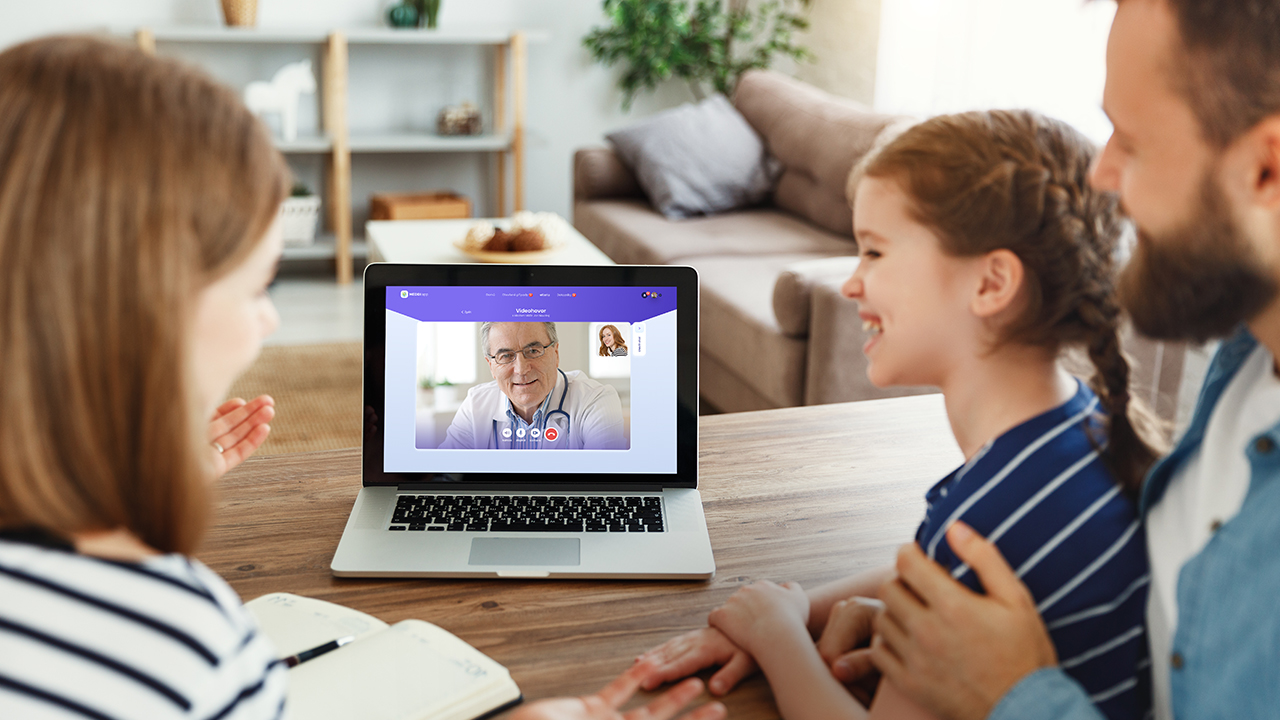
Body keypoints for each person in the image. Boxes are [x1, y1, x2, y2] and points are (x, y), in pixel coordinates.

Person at [0, 36, 720, 720]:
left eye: (532, 351)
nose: (269, 325)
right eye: (258, 288)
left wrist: (127, 490)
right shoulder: (176, 643)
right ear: (144, 311)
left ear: (557, 351)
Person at [636, 109, 1166, 720]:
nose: (852, 284)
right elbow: (925, 563)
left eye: (874, 252)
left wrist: (777, 639)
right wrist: (791, 609)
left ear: (992, 284)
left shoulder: (985, 523)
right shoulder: (1084, 428)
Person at [837, 1, 1280, 720]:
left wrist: (1019, 694)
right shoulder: (1244, 370)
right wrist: (899, 606)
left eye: (1130, 141)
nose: (1102, 177)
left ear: (1266, 169)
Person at [439, 321, 627, 449]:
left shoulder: (596, 400)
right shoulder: (475, 404)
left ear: (556, 353)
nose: (521, 369)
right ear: (491, 366)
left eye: (533, 351)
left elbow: (602, 484)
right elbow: (446, 473)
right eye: (505, 356)